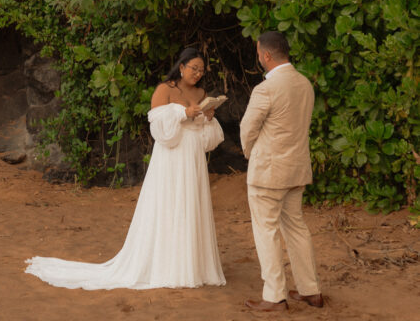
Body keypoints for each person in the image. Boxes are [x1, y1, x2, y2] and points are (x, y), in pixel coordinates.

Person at [25, 46, 225, 289]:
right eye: (194, 68)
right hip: (172, 158)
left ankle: (193, 266)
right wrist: (184, 112)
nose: (198, 74)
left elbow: (205, 135)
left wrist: (208, 116)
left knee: (191, 204)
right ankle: (169, 266)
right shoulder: (165, 90)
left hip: (192, 157)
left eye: (202, 70)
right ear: (181, 67)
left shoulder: (202, 92)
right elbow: (159, 129)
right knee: (171, 204)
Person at [240, 31, 323, 313]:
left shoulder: (266, 89)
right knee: (297, 227)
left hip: (268, 172)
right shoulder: (305, 84)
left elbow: (247, 129)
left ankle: (274, 296)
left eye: (258, 54)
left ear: (266, 55)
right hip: (297, 169)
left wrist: (251, 153)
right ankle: (310, 290)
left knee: (267, 232)